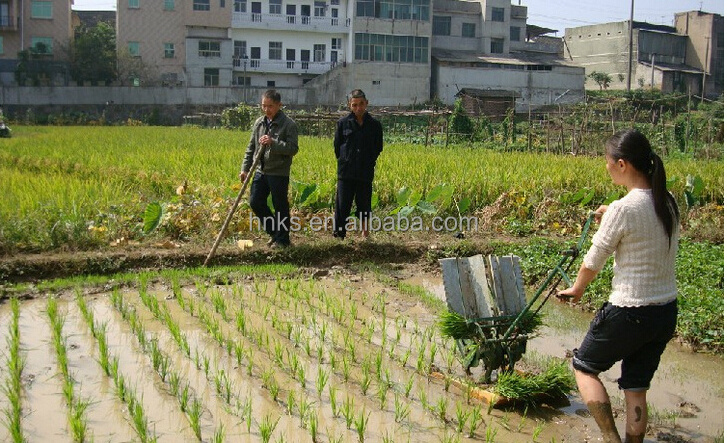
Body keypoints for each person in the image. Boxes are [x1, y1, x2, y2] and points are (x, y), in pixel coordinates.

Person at [557, 129, 680, 443]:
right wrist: (611, 213)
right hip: (664, 312)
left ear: (622, 164)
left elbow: (593, 260)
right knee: (636, 387)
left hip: (630, 311)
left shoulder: (624, 209)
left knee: (584, 366)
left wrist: (577, 289)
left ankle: (611, 438)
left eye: (608, 161)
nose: (606, 167)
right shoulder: (666, 200)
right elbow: (643, 223)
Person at [240, 90, 299, 248]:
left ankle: (283, 240)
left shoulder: (289, 125)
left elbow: (293, 149)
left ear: (279, 105)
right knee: (255, 202)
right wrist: (245, 169)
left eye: (270, 106)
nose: (267, 110)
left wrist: (274, 142)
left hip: (278, 172)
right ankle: (275, 232)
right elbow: (251, 147)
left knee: (280, 205)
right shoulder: (259, 123)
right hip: (260, 170)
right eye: (264, 106)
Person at [333, 89, 383, 239]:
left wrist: (368, 160)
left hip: (365, 171)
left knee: (364, 203)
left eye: (361, 104)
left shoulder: (374, 125)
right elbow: (337, 147)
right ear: (350, 105)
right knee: (342, 205)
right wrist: (345, 160)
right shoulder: (342, 124)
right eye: (354, 105)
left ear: (366, 103)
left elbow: (378, 147)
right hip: (346, 171)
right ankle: (339, 234)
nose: (358, 108)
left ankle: (365, 233)